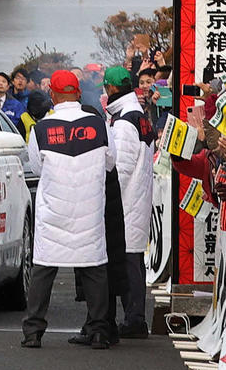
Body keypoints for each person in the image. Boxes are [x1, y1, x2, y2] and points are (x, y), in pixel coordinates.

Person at [21, 70, 116, 350]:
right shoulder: (99, 125)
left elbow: (37, 167)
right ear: (77, 93)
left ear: (52, 95)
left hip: (54, 210)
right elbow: (111, 161)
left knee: (44, 269)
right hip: (90, 205)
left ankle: (33, 331)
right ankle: (99, 331)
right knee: (94, 268)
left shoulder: (41, 128)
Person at [103, 65, 156, 338]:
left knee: (128, 262)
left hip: (125, 201)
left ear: (111, 89)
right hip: (139, 195)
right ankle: (135, 317)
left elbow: (119, 168)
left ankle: (135, 319)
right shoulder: (140, 116)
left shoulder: (124, 121)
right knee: (134, 260)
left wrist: (105, 198)